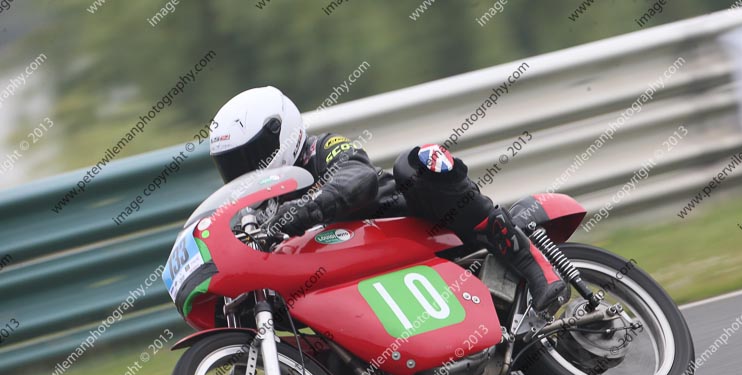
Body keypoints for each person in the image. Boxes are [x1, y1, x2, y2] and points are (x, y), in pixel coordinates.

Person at [209, 86, 568, 315]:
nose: (241, 170)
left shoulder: (320, 150)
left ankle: (529, 260)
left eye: (248, 155)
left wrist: (304, 211)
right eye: (230, 165)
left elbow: (358, 178)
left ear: (280, 133)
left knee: (417, 161)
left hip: (415, 223)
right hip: (352, 282)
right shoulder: (263, 207)